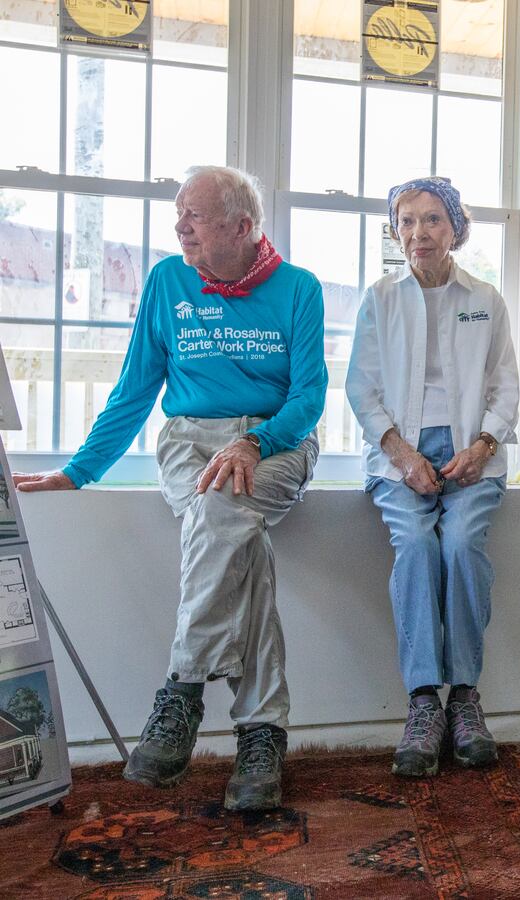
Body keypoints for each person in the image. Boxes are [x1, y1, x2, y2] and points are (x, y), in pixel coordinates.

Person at [14, 165, 328, 810]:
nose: (179, 225)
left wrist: (257, 442)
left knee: (224, 512)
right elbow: (136, 387)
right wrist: (80, 470)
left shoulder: (299, 288)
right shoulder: (167, 281)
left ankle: (182, 688)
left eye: (194, 214)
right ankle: (261, 733)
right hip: (190, 440)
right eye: (178, 212)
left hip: (277, 441)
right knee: (239, 538)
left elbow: (310, 396)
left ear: (242, 226)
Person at [345, 176, 519, 778]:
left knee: (464, 545)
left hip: (472, 453)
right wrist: (401, 454)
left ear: (454, 228)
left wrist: (481, 446)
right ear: (396, 232)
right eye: (406, 222)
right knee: (418, 545)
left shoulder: (485, 298)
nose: (418, 232)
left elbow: (505, 386)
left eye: (431, 220)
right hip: (402, 456)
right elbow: (360, 390)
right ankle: (424, 702)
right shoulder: (380, 298)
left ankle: (465, 698)